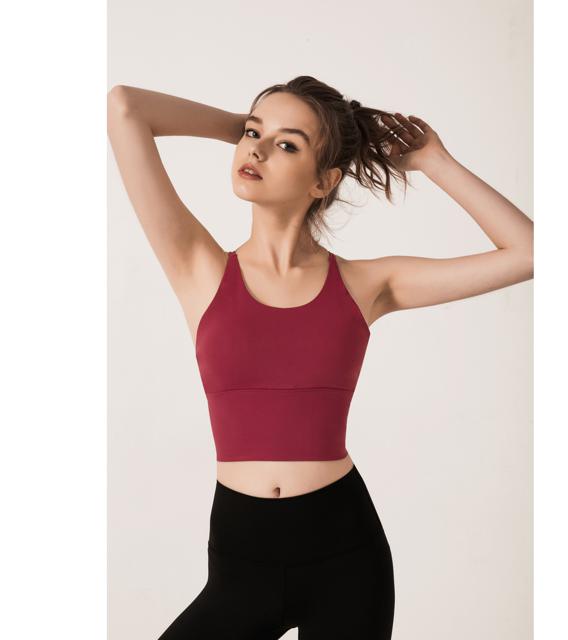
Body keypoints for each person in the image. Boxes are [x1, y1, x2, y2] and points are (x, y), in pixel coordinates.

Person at [107, 75, 533, 639]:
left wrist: (435, 161)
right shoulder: (198, 267)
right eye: (254, 134)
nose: (257, 150)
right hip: (241, 563)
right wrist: (241, 128)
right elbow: (125, 107)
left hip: (346, 558)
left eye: (288, 145)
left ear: (324, 181)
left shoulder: (366, 284)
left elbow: (529, 253)